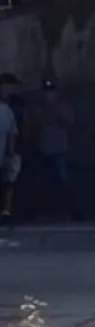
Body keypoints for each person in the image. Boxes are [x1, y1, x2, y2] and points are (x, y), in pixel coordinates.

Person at [29, 79, 82, 221]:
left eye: (52, 92)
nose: (49, 95)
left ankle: (75, 212)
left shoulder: (63, 107)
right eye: (47, 92)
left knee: (65, 181)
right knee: (38, 183)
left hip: (59, 150)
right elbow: (33, 126)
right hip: (42, 150)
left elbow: (69, 123)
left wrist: (56, 110)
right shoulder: (38, 109)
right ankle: (32, 213)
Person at [0, 73, 19, 226]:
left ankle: (6, 210)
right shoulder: (6, 110)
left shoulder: (7, 110)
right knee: (8, 182)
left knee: (8, 181)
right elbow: (12, 134)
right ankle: (6, 210)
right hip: (4, 153)